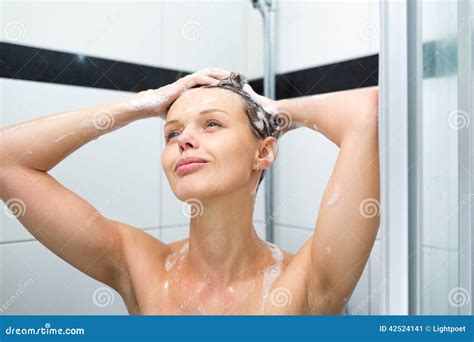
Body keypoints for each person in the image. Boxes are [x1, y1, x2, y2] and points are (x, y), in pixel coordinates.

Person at [0, 68, 380, 315]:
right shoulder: (138, 265)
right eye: (173, 133)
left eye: (211, 124)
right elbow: (6, 161)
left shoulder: (306, 279)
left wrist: (273, 112)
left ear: (264, 152)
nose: (185, 141)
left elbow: (366, 112)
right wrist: (143, 102)